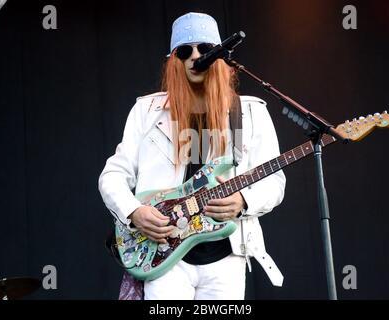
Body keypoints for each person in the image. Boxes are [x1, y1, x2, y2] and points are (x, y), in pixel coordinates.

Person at [99, 12, 286, 300]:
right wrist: (134, 212)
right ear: (174, 60)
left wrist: (244, 200)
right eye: (184, 51)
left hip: (227, 254)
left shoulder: (248, 112)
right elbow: (112, 175)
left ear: (220, 56)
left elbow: (274, 182)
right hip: (163, 251)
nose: (195, 56)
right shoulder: (146, 112)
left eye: (205, 49)